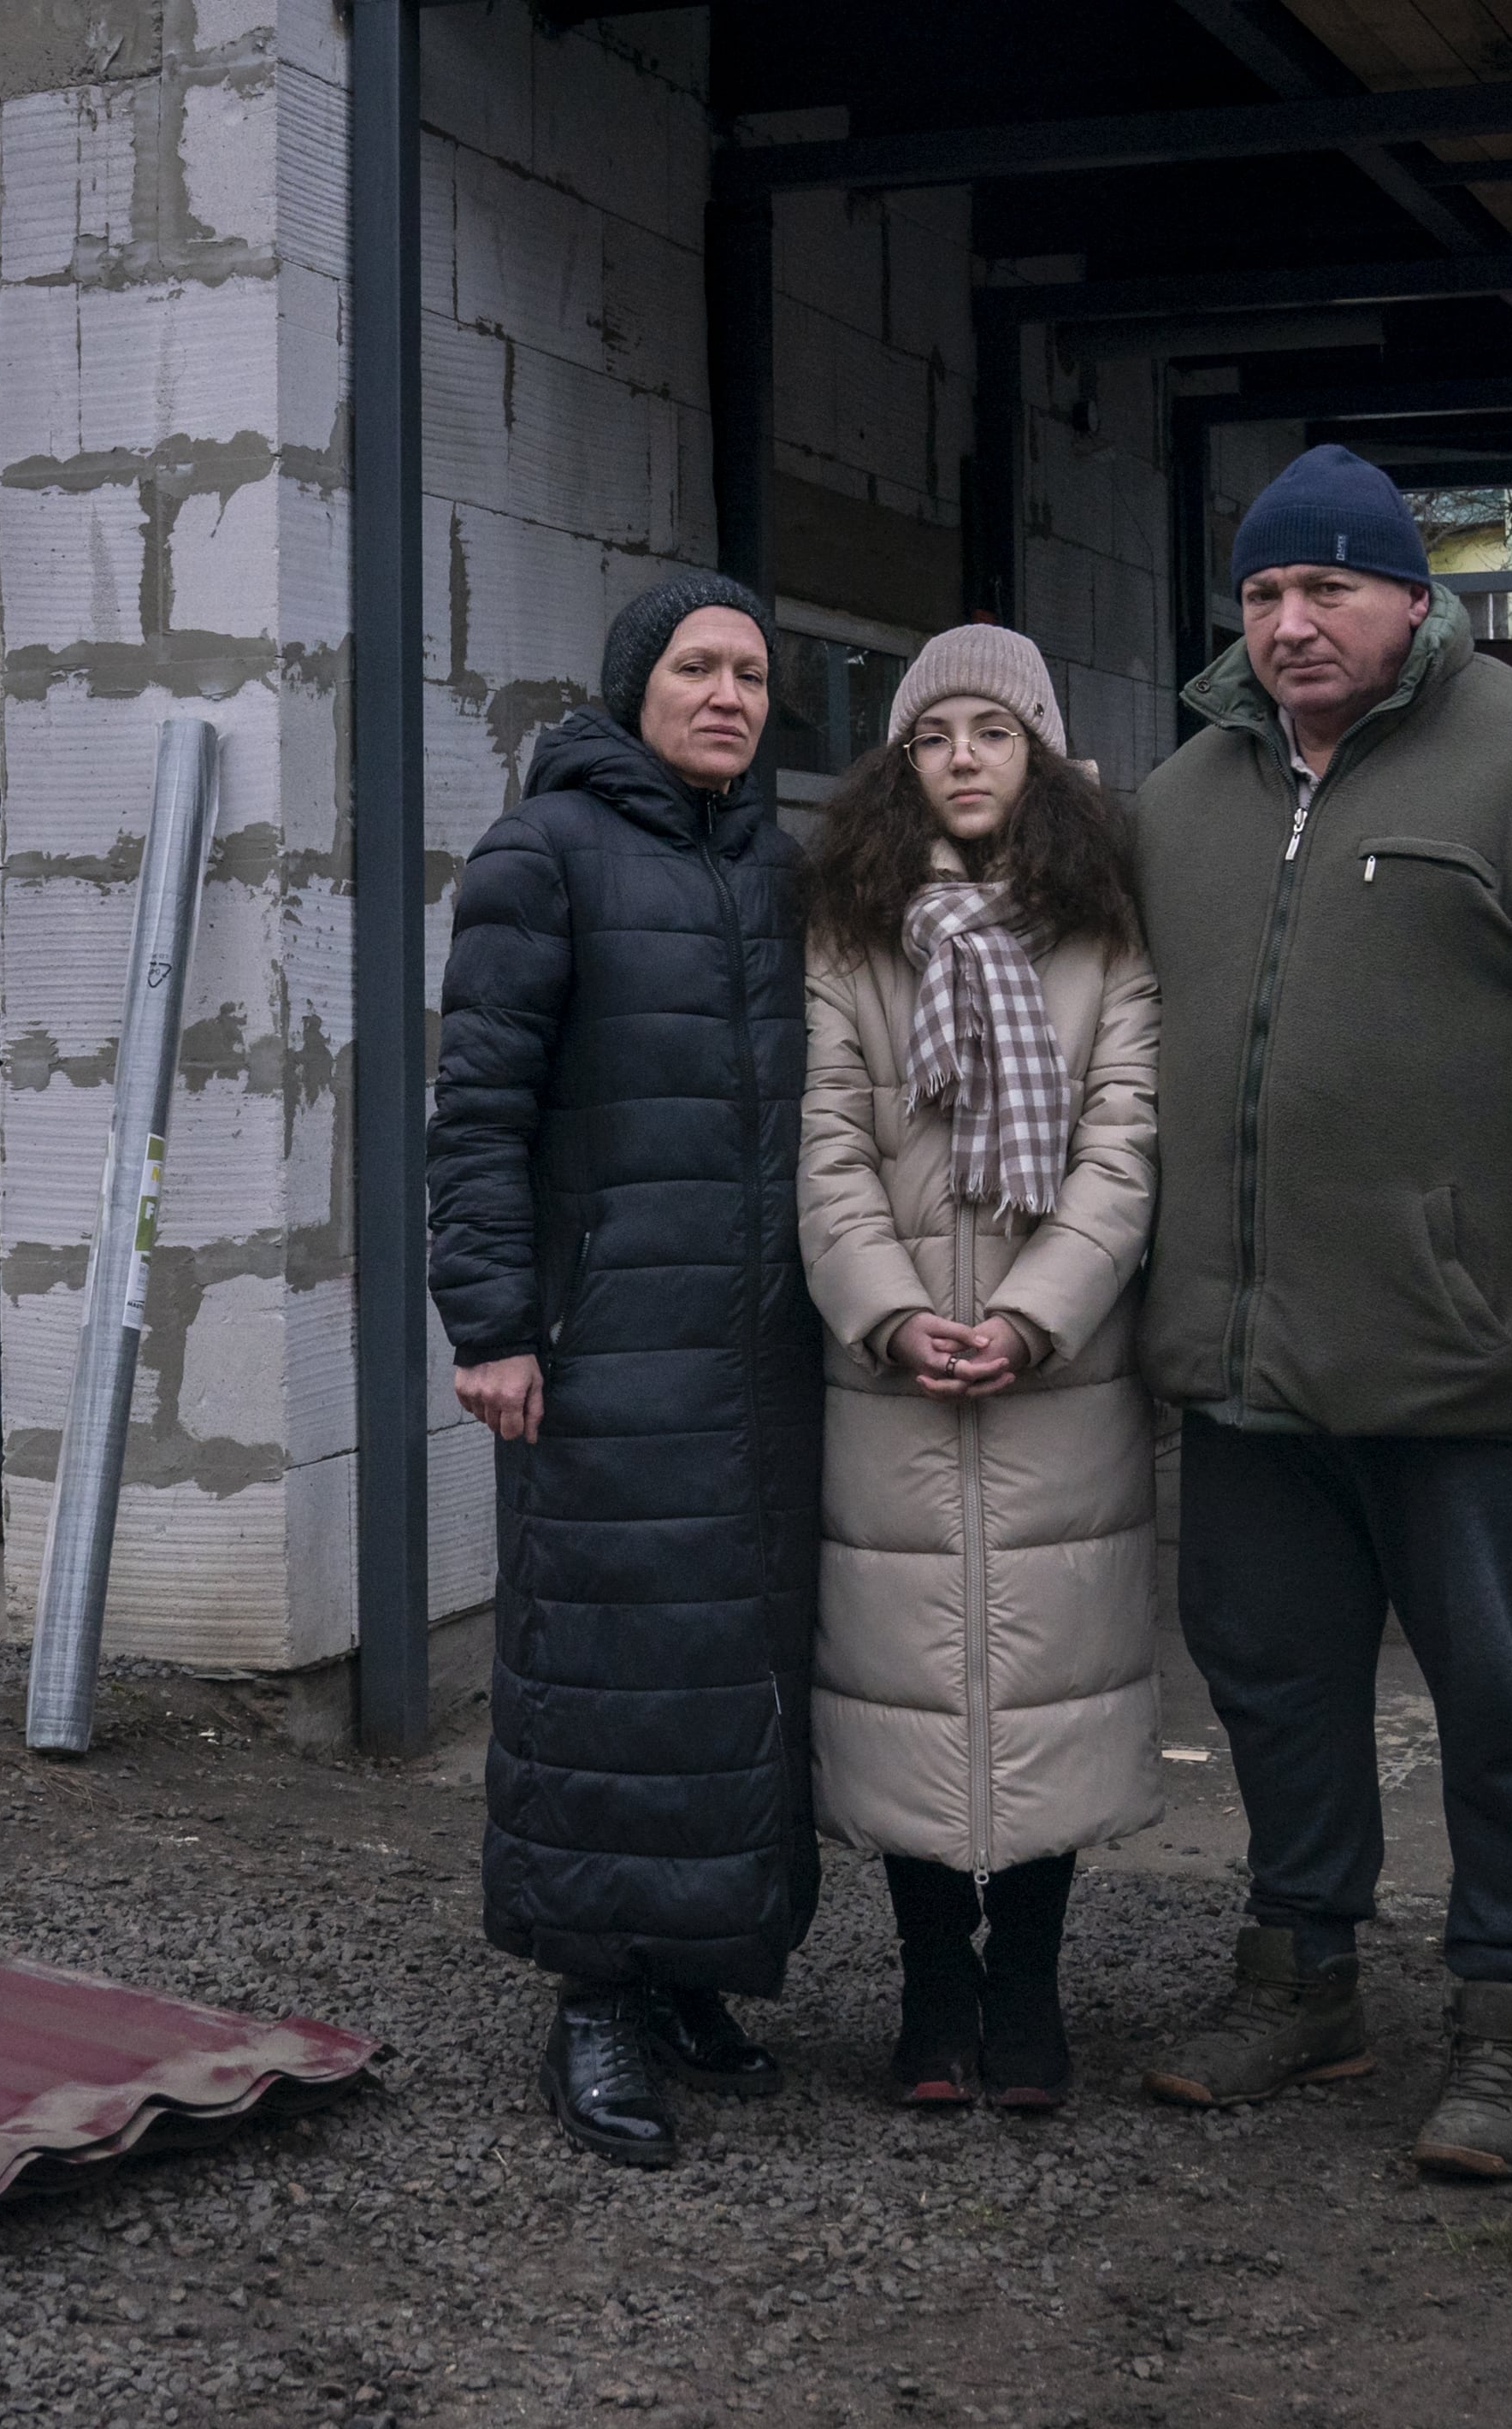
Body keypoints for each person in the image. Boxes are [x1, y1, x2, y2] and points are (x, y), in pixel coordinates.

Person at [1129, 445, 1512, 2179]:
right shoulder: (1179, 805)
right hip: (1250, 1358)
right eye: (1263, 595)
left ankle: (1510, 2017)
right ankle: (1302, 1974)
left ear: (1417, 596)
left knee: (1501, 1703)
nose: (1293, 623)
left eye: (1329, 587)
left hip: (1473, 1350)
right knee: (1270, 1681)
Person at [427, 571, 823, 2170]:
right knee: (599, 1669)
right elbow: (480, 1113)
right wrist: (494, 1324)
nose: (728, 695)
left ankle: (694, 1973)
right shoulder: (545, 857)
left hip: (760, 1356)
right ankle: (593, 1998)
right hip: (601, 1348)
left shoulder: (781, 868)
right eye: (697, 669)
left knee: (730, 1671)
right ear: (629, 690)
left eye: (750, 674)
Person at [794, 626, 1161, 2113]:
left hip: (1056, 1375)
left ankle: (1032, 1996)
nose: (961, 758)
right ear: (901, 764)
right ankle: (933, 1993)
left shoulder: (1105, 937)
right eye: (933, 734)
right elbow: (825, 1144)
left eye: (991, 733)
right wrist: (888, 1311)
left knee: (1047, 1684)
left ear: (1041, 759)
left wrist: (1030, 1315)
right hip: (889, 1376)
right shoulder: (849, 932)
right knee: (906, 1691)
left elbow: (1123, 1144)